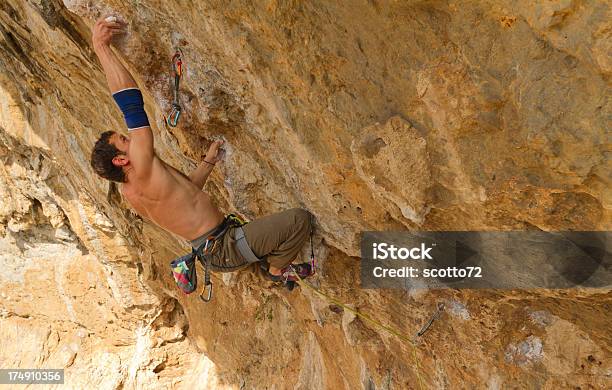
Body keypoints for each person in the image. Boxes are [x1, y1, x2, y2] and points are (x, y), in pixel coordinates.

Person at [89, 16, 313, 283]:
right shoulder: (142, 167)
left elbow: (185, 196)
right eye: (125, 140)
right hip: (226, 246)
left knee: (276, 229)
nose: (132, 139)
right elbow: (131, 105)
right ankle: (276, 271)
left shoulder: (133, 192)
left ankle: (266, 261)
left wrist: (208, 163)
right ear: (120, 160)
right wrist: (101, 47)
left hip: (213, 253)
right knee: (299, 220)